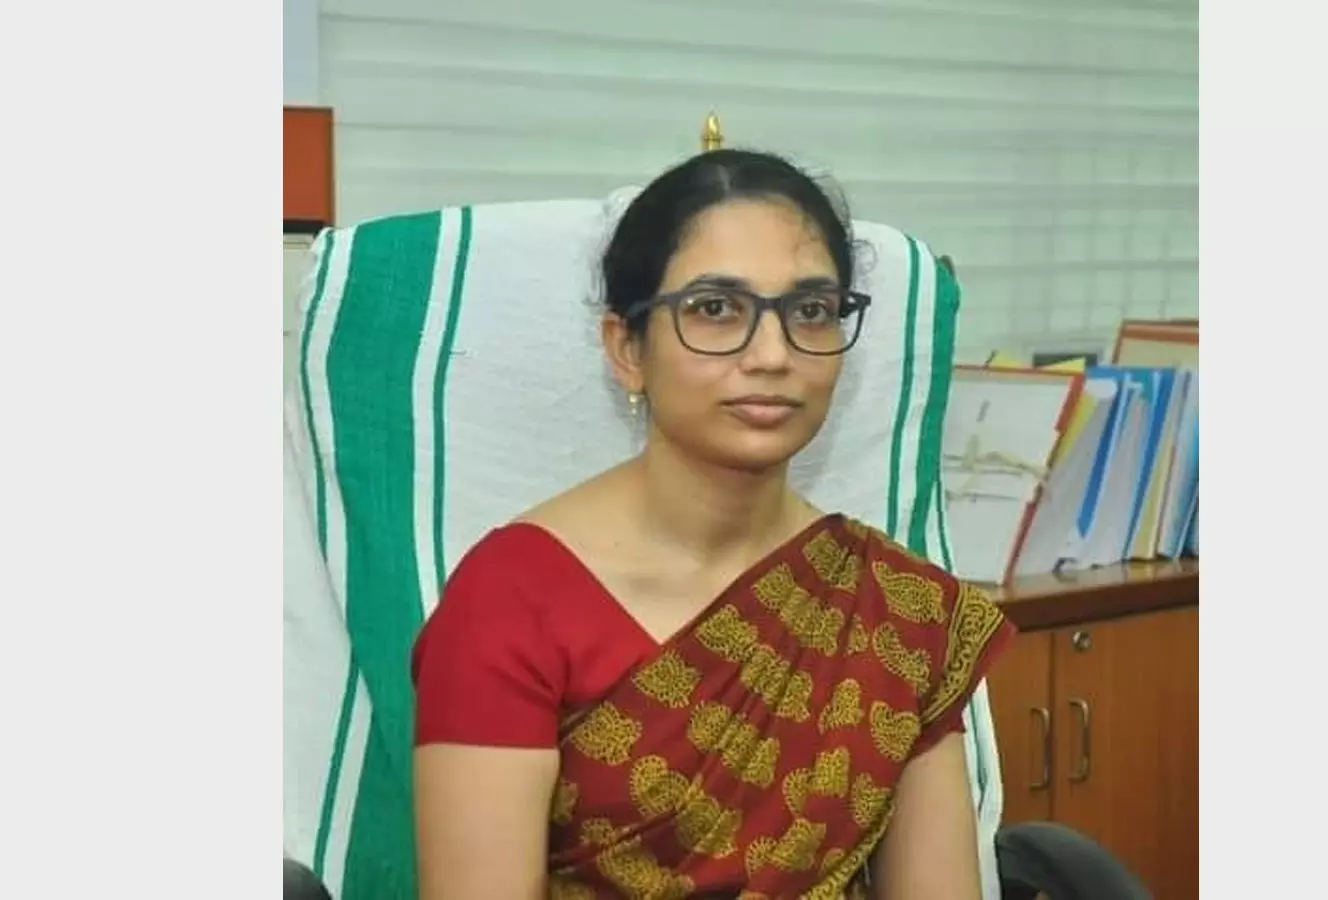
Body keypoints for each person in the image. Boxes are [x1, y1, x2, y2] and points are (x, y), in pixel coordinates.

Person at [410, 149, 1016, 899]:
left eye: (811, 311)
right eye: (715, 309)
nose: (773, 355)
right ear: (627, 349)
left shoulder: (894, 613)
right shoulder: (511, 602)